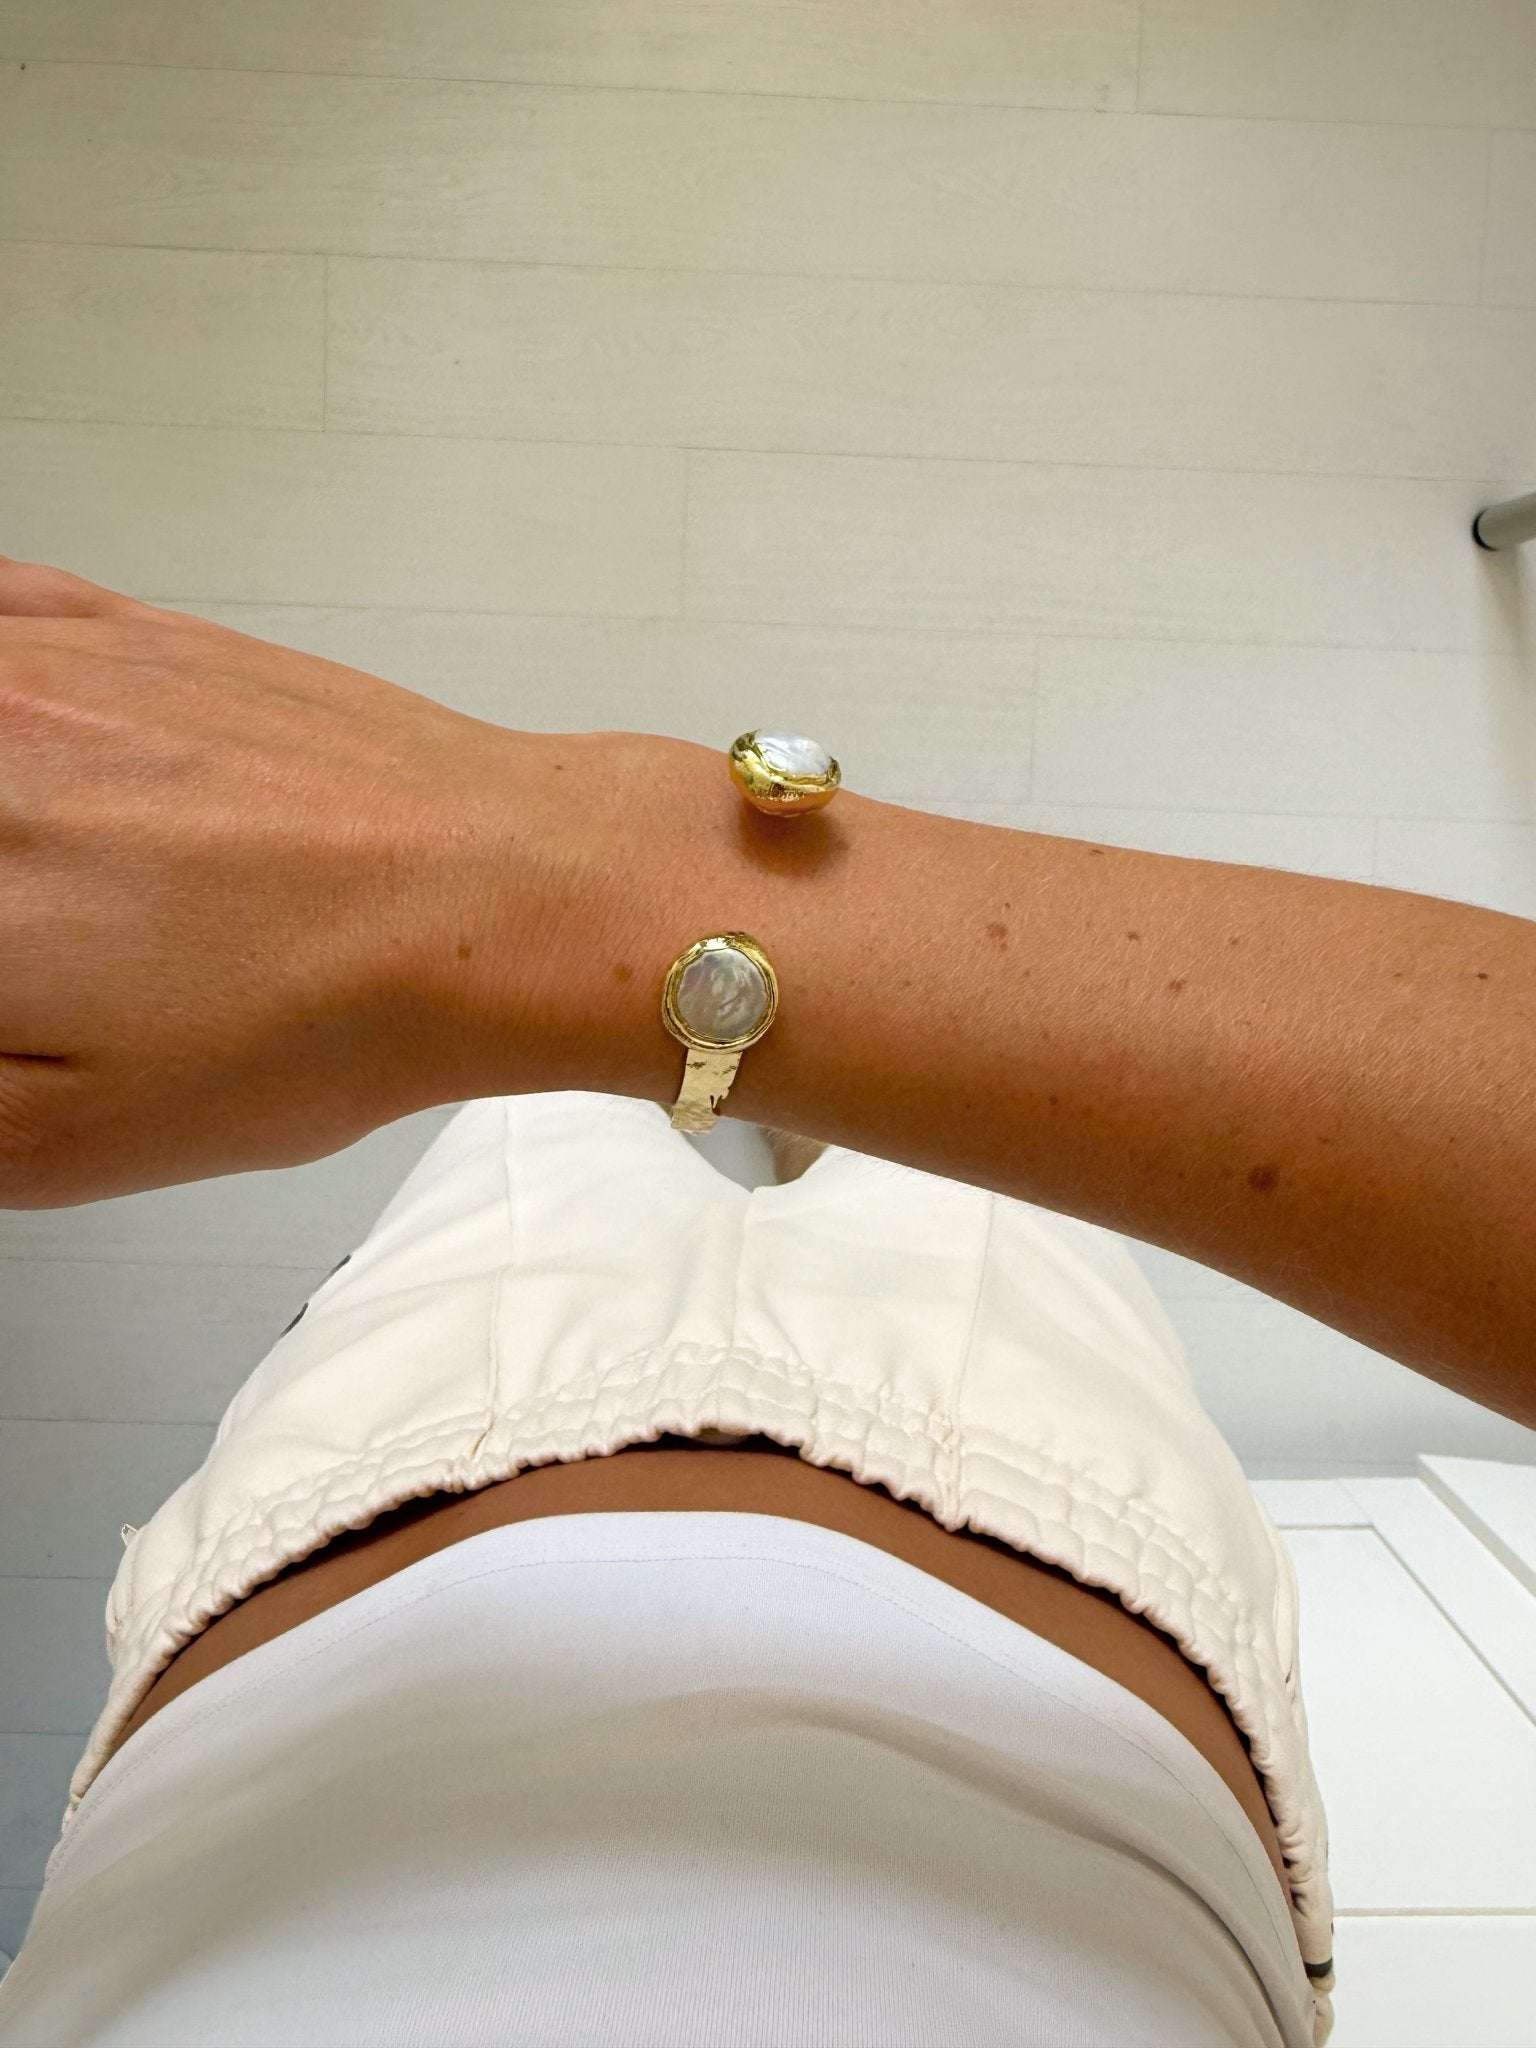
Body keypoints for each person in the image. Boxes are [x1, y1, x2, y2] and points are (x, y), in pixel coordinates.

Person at [0, 556, 1530, 2044]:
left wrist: (554, 887)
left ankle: (732, 1015)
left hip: (383, 1490)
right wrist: (580, 877)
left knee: (534, 1117)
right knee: (974, 1192)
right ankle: (761, 1003)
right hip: (1051, 1523)